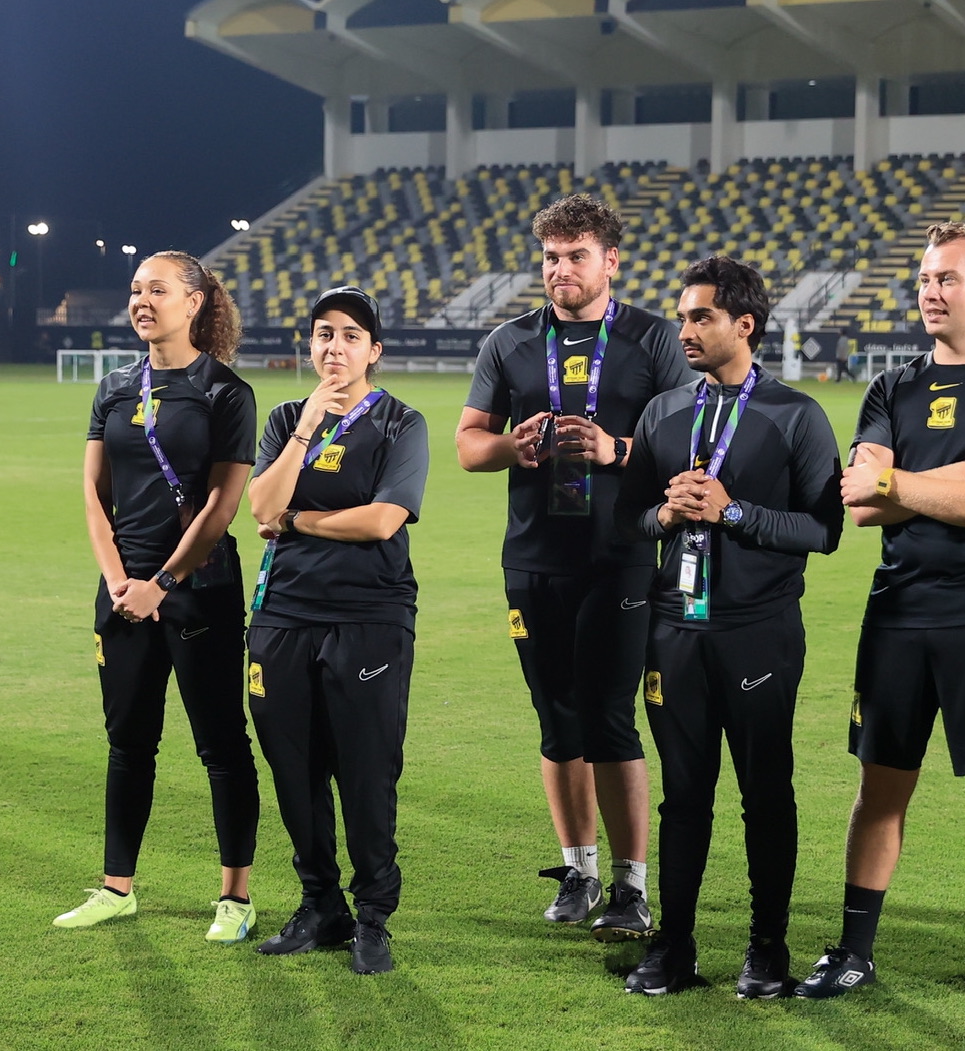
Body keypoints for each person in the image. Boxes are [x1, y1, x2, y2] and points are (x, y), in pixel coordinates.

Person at [792, 220, 965, 1027]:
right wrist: (958, 472)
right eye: (924, 278)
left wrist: (906, 482)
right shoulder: (892, 388)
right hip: (898, 610)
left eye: (947, 277)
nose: (930, 290)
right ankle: (853, 952)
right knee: (879, 785)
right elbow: (858, 495)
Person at [457, 195, 692, 940]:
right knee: (555, 719)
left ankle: (631, 886)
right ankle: (580, 869)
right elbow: (469, 445)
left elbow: (687, 446)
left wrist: (616, 450)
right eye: (552, 257)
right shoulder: (511, 342)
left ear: (610, 260)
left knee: (611, 719)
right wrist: (512, 447)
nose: (562, 269)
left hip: (619, 557)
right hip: (531, 560)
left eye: (577, 255)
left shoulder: (655, 340)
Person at [614, 256, 844, 997]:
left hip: (758, 633)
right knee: (683, 796)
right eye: (683, 316)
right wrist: (668, 513)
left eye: (701, 317)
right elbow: (629, 518)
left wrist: (733, 511)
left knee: (765, 792)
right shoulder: (661, 413)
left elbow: (824, 528)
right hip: (674, 630)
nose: (685, 329)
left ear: (744, 325)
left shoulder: (795, 415)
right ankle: (672, 947)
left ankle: (767, 948)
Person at [63, 251, 261, 942]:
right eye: (135, 289)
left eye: (157, 289)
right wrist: (119, 579)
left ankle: (234, 896)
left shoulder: (226, 392)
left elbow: (222, 507)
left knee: (220, 742)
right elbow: (93, 492)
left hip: (197, 589)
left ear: (196, 301)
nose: (141, 300)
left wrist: (162, 583)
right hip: (121, 593)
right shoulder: (115, 386)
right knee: (128, 740)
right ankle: (118, 886)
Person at [246, 286, 429, 975]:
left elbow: (383, 519)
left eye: (351, 336)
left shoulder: (401, 424)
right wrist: (304, 431)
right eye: (324, 333)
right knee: (293, 770)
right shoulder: (287, 416)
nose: (335, 347)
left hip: (369, 617)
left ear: (373, 351)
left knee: (365, 771)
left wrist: (297, 520)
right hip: (283, 615)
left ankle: (373, 917)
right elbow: (258, 502)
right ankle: (320, 904)